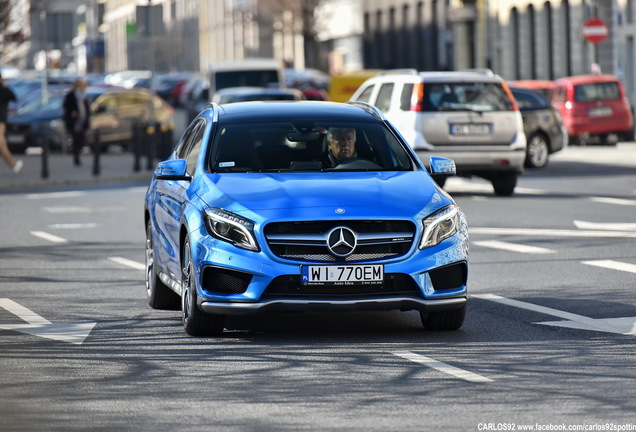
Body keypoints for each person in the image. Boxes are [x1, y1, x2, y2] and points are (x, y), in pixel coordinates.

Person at [63, 78, 90, 166]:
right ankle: (76, 158)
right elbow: (66, 107)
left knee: (81, 140)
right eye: (77, 85)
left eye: (80, 85)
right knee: (75, 139)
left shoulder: (84, 96)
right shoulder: (70, 96)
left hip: (83, 121)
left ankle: (77, 155)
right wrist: (72, 113)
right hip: (74, 121)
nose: (79, 87)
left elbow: (87, 109)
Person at [0, 73, 22, 174]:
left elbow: (13, 97)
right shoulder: (4, 90)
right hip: (1, 121)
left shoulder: (4, 90)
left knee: (1, 143)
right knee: (1, 143)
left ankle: (13, 165)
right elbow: (14, 97)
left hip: (1, 121)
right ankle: (13, 165)